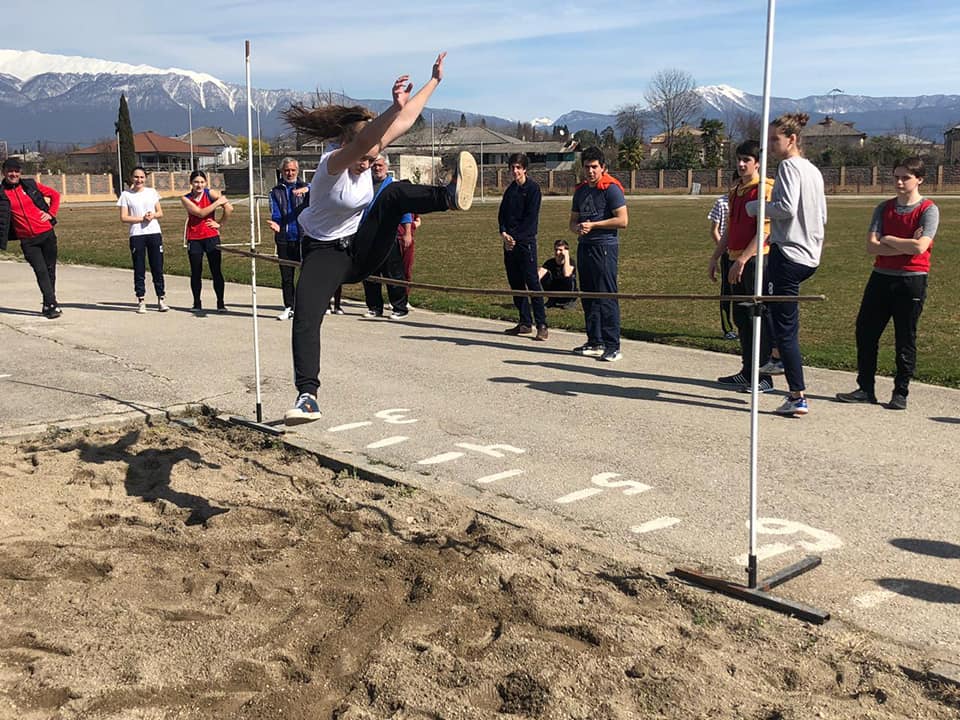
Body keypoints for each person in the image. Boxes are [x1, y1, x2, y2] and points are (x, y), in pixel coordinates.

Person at [280, 51, 477, 425]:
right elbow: (364, 141)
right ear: (346, 145)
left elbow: (403, 122)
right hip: (323, 253)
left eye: (373, 160)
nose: (367, 164)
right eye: (365, 158)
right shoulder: (331, 164)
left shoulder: (367, 154)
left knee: (393, 193)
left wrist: (434, 81)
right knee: (306, 314)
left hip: (360, 247)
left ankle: (449, 197)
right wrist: (389, 109)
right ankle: (308, 396)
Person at [836, 157, 939, 410]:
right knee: (865, 331)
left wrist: (889, 238)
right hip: (881, 277)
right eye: (896, 177)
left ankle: (900, 392)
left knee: (905, 336)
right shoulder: (883, 208)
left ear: (919, 179)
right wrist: (904, 244)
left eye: (906, 177)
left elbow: (920, 247)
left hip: (911, 279)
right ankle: (865, 388)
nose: (899, 182)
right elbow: (872, 246)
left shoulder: (928, 210)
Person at [747, 113, 827, 417]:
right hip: (809, 254)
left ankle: (797, 394)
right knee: (777, 310)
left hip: (789, 255)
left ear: (792, 139)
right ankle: (778, 353)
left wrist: (756, 207)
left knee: (784, 324)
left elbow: (785, 207)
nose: (770, 146)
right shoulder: (812, 170)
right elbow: (822, 214)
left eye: (774, 139)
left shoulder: (789, 167)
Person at [709, 141, 775, 393]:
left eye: (746, 159)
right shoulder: (735, 191)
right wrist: (716, 257)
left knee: (757, 317)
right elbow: (729, 230)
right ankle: (747, 370)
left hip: (756, 259)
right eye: (738, 159)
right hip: (735, 258)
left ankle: (764, 376)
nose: (741, 164)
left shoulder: (763, 189)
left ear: (757, 163)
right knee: (742, 317)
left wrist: (743, 259)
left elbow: (764, 231)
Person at [570, 146, 628, 362]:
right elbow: (572, 222)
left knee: (606, 296)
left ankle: (613, 345)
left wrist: (594, 225)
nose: (590, 171)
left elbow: (623, 220)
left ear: (603, 167)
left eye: (594, 167)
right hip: (584, 246)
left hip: (604, 247)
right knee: (589, 296)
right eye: (587, 167)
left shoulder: (611, 189)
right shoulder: (581, 191)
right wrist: (578, 228)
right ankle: (595, 341)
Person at [2, 157, 62, 318]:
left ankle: (49, 303)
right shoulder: (2, 193)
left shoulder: (30, 185)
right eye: (10, 171)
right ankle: (51, 304)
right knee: (40, 271)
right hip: (28, 241)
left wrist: (50, 214)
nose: (13, 174)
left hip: (46, 234)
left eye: (16, 171)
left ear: (20, 172)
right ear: (4, 173)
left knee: (50, 270)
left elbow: (55, 195)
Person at [499, 152, 547, 340]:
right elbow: (502, 215)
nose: (515, 171)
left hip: (525, 243)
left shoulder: (533, 189)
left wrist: (516, 238)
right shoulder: (510, 190)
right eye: (512, 168)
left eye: (518, 168)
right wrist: (504, 233)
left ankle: (542, 324)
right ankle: (525, 322)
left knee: (532, 283)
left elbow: (530, 218)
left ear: (525, 169)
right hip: (509, 243)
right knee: (516, 283)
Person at [362, 152, 410, 320]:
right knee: (369, 273)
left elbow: (405, 210)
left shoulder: (394, 186)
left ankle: (399, 307)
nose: (377, 168)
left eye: (380, 165)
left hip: (388, 235)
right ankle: (374, 307)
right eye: (374, 165)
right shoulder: (365, 184)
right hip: (368, 236)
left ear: (386, 167)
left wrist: (407, 233)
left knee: (393, 272)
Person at [180, 170, 233, 313]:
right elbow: (200, 213)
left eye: (202, 182)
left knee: (216, 270)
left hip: (211, 236)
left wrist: (220, 223)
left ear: (206, 183)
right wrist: (217, 203)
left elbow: (229, 207)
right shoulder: (185, 198)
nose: (199, 185)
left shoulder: (210, 193)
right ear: (191, 183)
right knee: (196, 271)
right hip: (194, 238)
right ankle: (197, 303)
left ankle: (220, 303)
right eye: (196, 182)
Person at [118, 166, 169, 313]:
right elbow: (124, 217)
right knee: (139, 268)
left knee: (157, 267)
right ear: (131, 178)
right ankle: (141, 300)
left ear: (145, 178)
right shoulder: (126, 195)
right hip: (137, 234)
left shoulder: (151, 192)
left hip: (154, 233)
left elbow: (160, 212)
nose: (139, 180)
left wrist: (152, 216)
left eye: (141, 177)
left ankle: (161, 298)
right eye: (136, 177)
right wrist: (142, 218)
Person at [268, 157, 309, 321]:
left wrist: (308, 189)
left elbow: (319, 195)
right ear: (282, 172)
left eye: (293, 170)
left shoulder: (306, 188)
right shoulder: (275, 191)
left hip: (304, 237)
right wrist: (277, 224)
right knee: (287, 276)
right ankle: (289, 306)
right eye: (287, 170)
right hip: (284, 237)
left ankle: (304, 306)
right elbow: (275, 212)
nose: (290, 173)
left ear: (297, 171)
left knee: (306, 274)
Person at [708, 190, 737, 340]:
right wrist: (723, 249)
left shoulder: (746, 199)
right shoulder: (722, 203)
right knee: (727, 291)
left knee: (743, 291)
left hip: (743, 252)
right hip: (727, 252)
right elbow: (714, 230)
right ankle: (727, 329)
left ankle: (746, 327)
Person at [538, 239, 577, 308]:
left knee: (568, 277)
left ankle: (569, 301)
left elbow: (567, 274)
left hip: (567, 291)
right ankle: (552, 299)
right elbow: (539, 275)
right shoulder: (550, 262)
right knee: (545, 275)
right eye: (556, 250)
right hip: (554, 288)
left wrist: (566, 256)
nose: (557, 252)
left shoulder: (570, 262)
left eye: (560, 250)